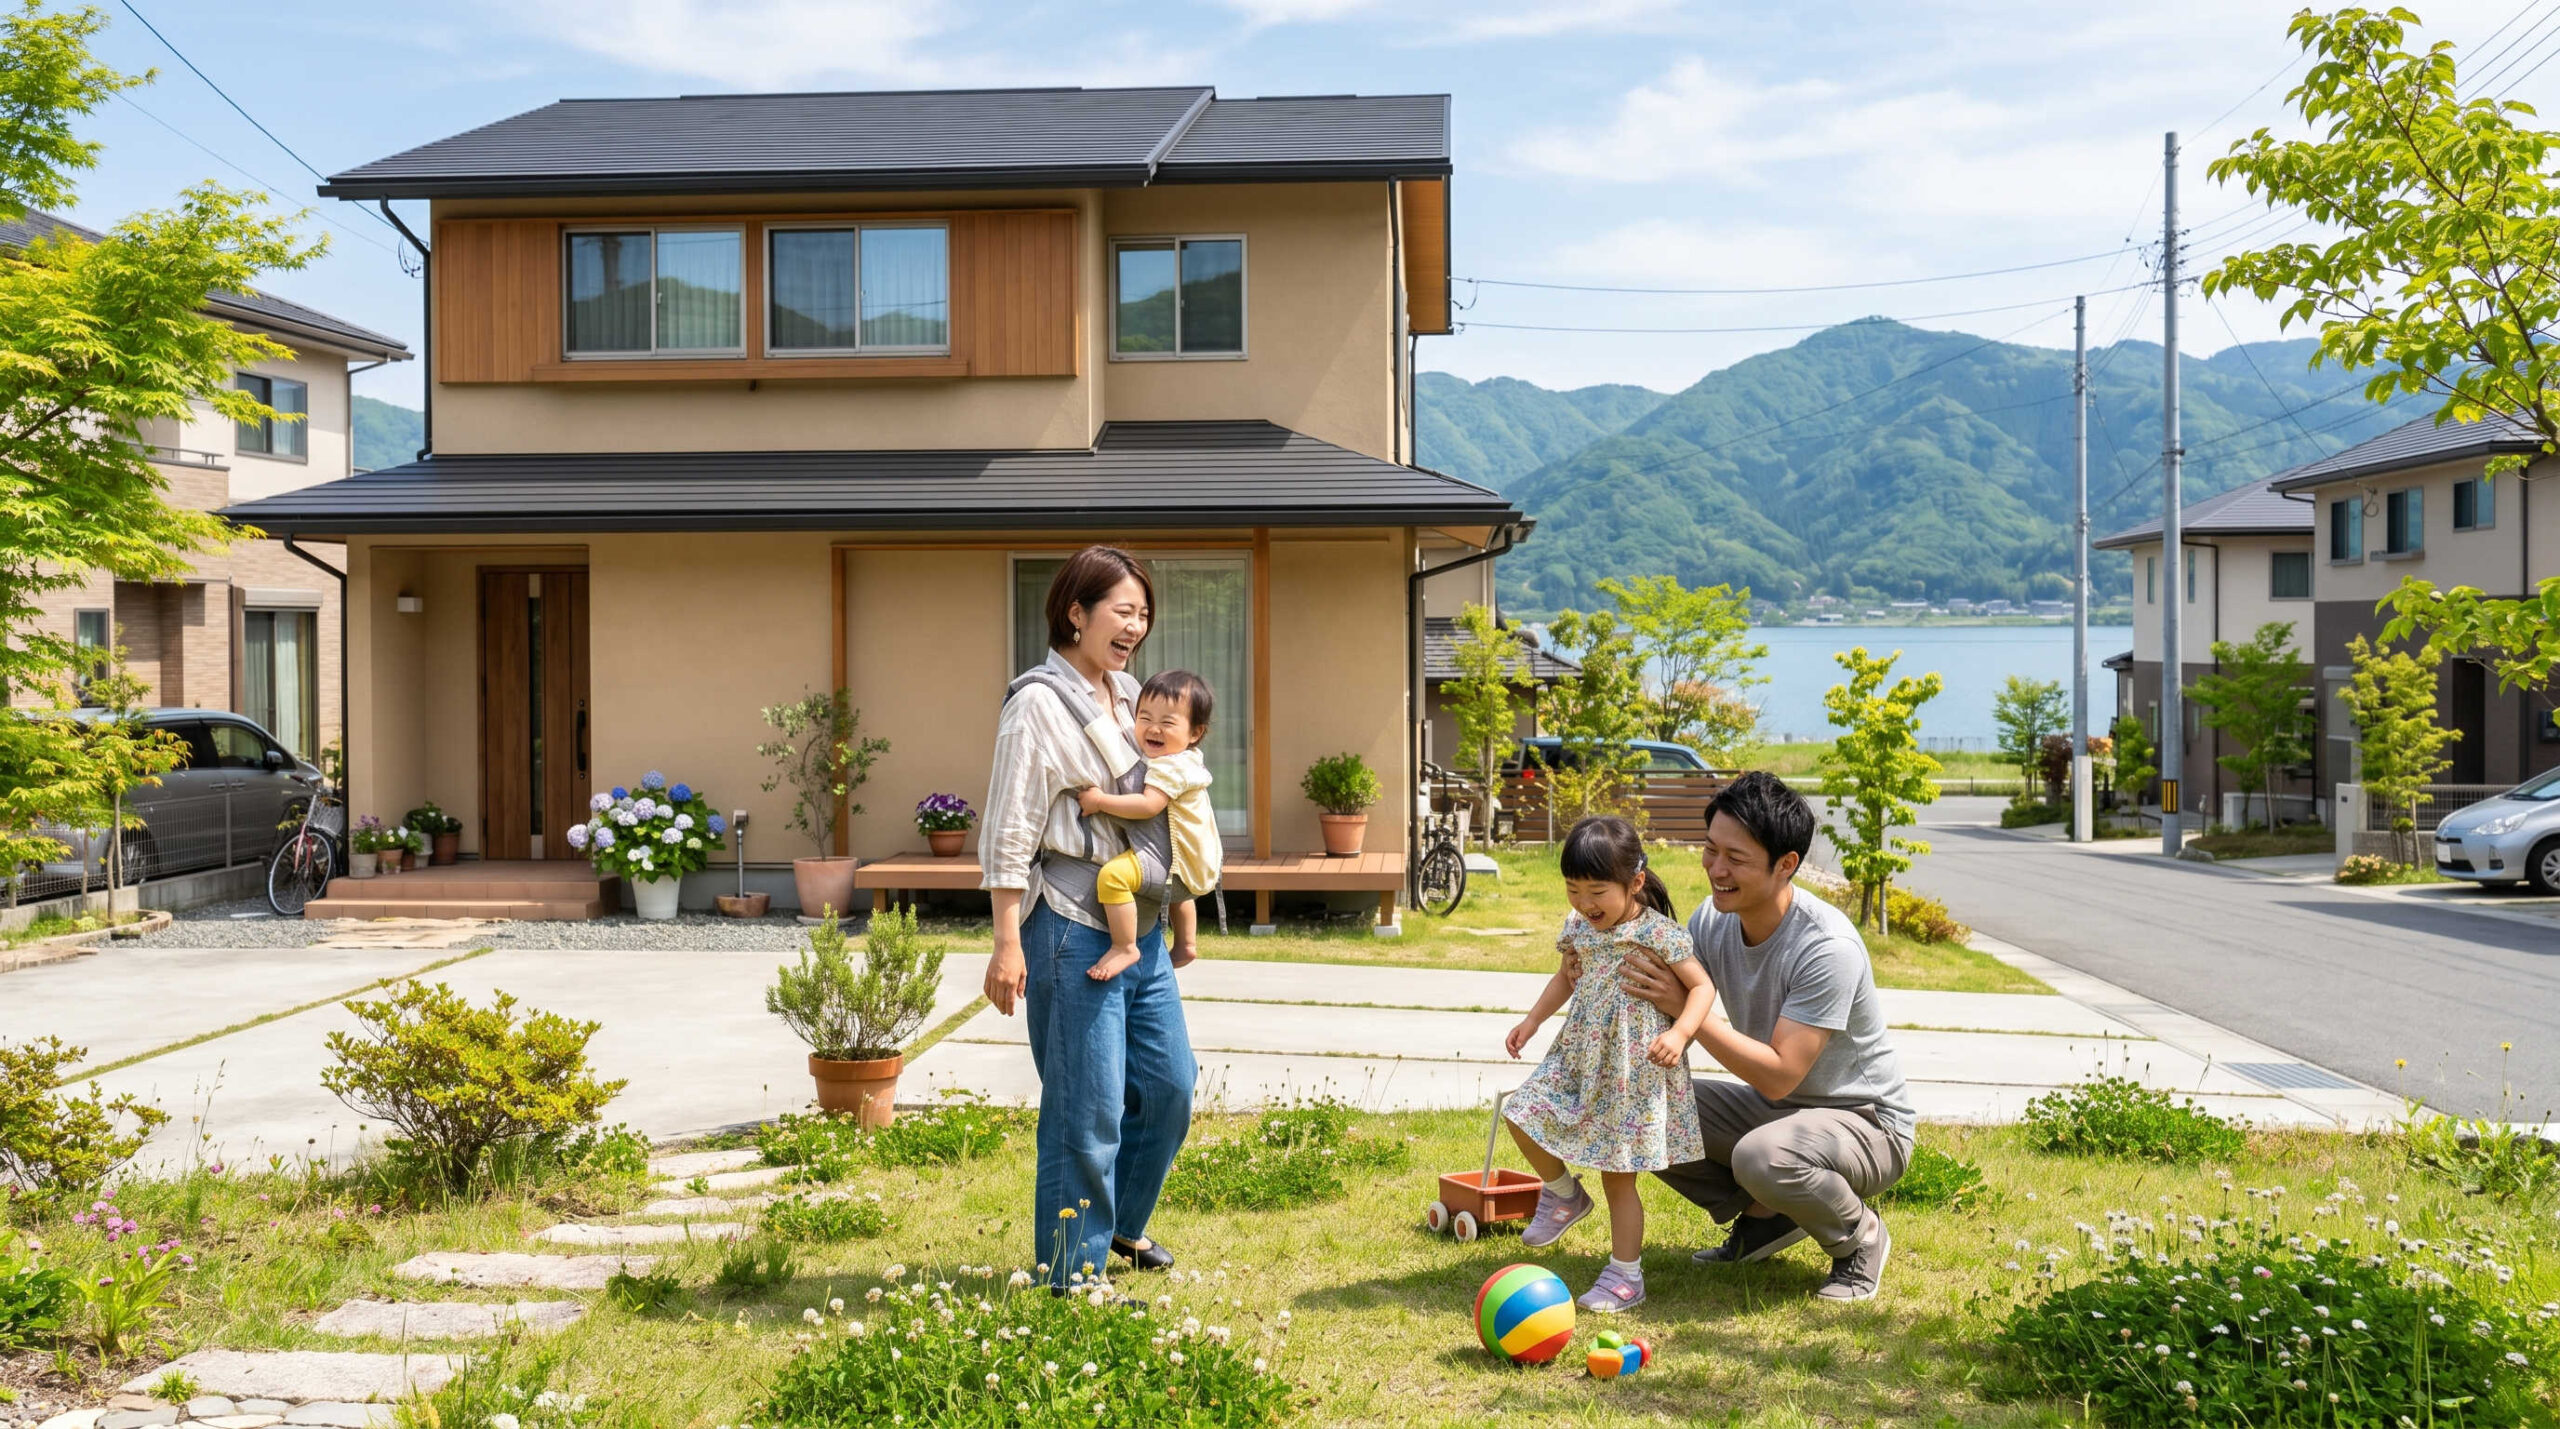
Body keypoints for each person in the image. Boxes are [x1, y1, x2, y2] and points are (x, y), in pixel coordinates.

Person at [979, 546, 1195, 1287]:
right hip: (1071, 922)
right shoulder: (1036, 703)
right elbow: (1010, 828)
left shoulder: (1132, 693)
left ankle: (1123, 1229)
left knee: (1169, 1088)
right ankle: (1072, 1271)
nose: (1135, 625)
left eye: (1143, 613)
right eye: (1121, 610)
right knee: (1088, 1106)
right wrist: (1008, 942)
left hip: (1143, 925)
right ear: (1076, 612)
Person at [1618, 770, 1914, 1302]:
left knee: (1763, 1155)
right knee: (1633, 1097)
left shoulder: (1827, 947)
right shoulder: (1709, 920)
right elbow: (1662, 1004)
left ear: (1786, 865)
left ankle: (1860, 1237)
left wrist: (1684, 1006)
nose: (1717, 869)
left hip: (1865, 1123)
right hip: (1776, 1117)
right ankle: (1767, 1216)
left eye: (1737, 858)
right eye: (1711, 850)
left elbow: (1780, 1076)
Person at [1500, 816, 1716, 1314]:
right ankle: (1561, 1195)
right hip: (1579, 1057)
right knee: (1522, 1111)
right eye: (1573, 890)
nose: (1583, 903)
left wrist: (1680, 1033)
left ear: (1634, 882)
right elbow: (1564, 977)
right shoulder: (1578, 927)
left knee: (1618, 1176)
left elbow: (1703, 988)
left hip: (1632, 1070)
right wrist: (1531, 1022)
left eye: (1596, 890)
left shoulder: (1659, 933)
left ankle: (1626, 1275)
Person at [1074, 669, 1221, 983]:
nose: (1154, 729)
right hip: (1194, 870)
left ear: (1195, 733)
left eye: (1167, 723)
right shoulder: (1190, 760)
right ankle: (1186, 944)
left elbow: (1146, 806)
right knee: (1181, 891)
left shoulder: (1168, 766)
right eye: (1144, 718)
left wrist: (1099, 801)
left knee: (1112, 877)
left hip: (1176, 869)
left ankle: (1124, 946)